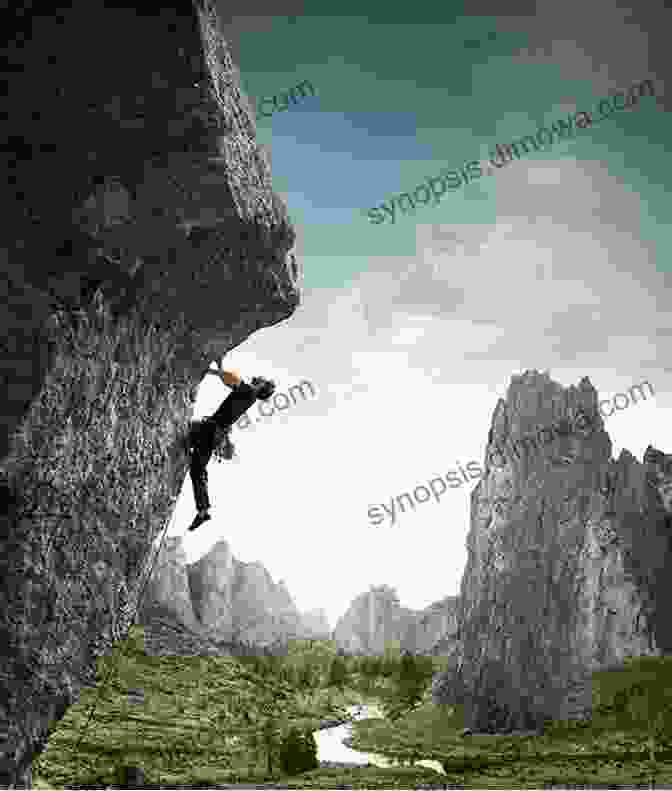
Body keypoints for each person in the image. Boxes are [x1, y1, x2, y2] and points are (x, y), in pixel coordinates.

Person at [187, 366, 275, 532]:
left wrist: (208, 370)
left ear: (262, 387)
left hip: (210, 430)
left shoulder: (249, 391)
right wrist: (218, 367)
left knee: (193, 457)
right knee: (198, 467)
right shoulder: (250, 395)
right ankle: (203, 510)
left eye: (263, 380)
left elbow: (229, 378)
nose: (260, 377)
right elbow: (229, 379)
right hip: (213, 432)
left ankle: (203, 509)